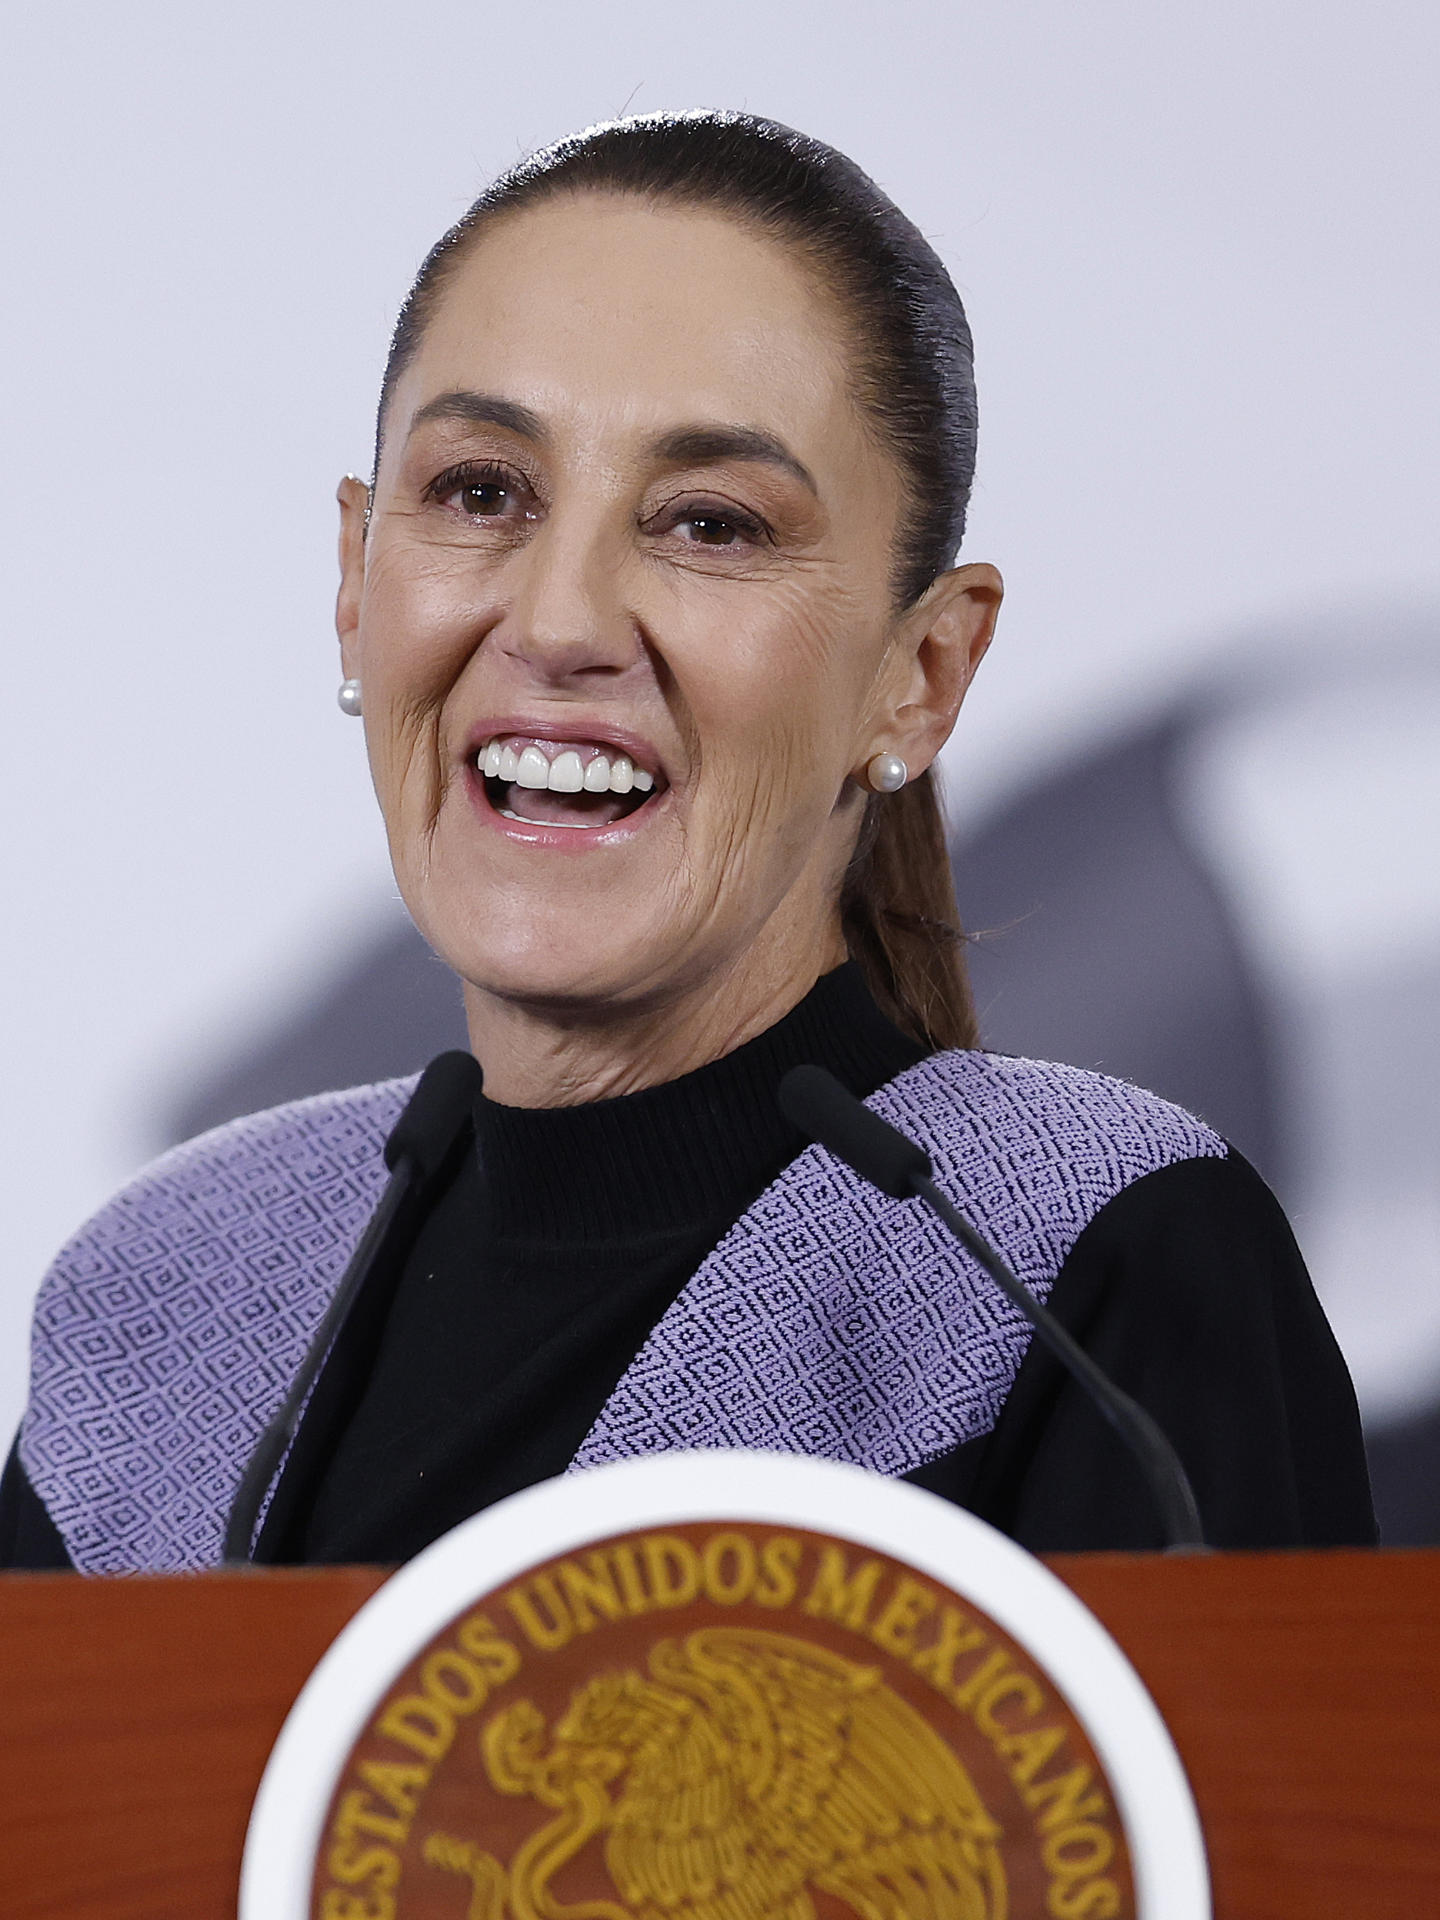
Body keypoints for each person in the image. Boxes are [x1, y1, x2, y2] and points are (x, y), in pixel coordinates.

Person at [0, 112, 1374, 1573]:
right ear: (357, 575)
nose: (559, 622)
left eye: (711, 524)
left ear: (921, 674)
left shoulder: (1090, 1263)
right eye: (481, 493)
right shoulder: (165, 1298)